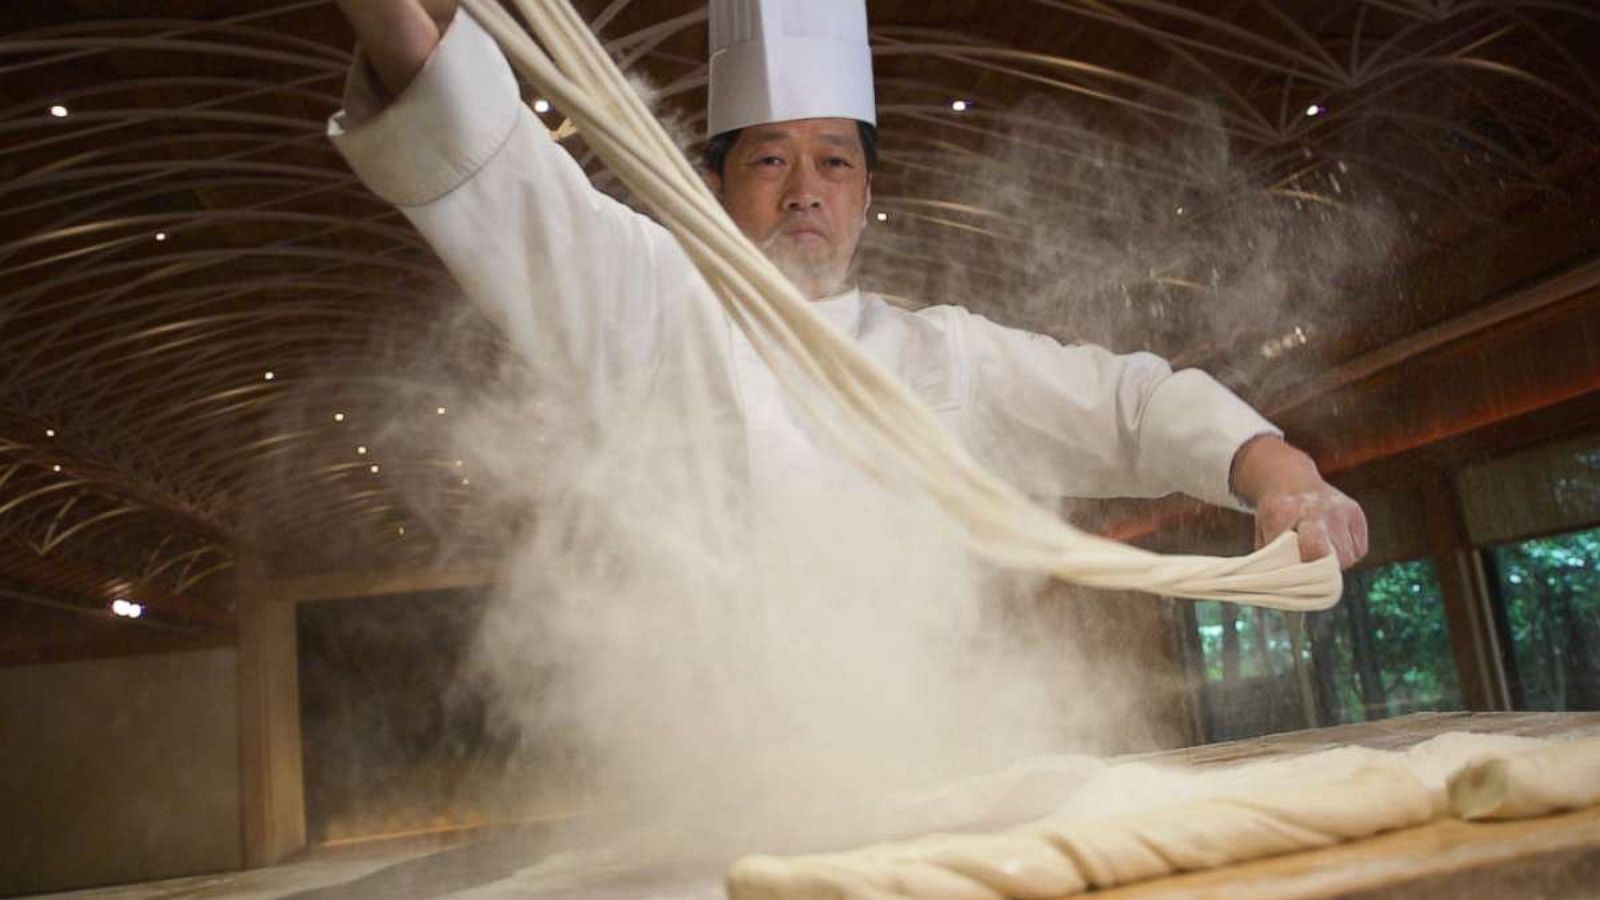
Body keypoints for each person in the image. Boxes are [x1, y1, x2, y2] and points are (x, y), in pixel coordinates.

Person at [328, 0, 1368, 570]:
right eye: (768, 160)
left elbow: (1131, 407)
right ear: (716, 187)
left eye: (834, 162)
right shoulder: (642, 303)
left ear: (868, 194)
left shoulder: (939, 358)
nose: (803, 193)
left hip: (924, 766)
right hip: (695, 777)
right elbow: (498, 167)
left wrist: (1281, 477)